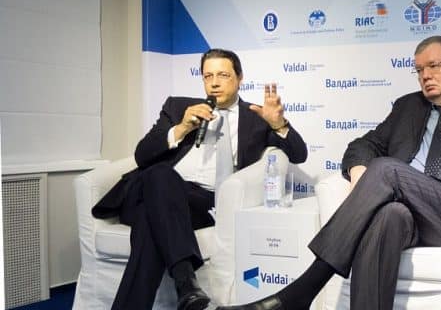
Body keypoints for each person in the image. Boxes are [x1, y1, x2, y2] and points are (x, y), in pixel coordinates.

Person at [221, 35, 441, 310]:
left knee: (386, 171)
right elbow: (361, 145)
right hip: (409, 213)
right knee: (387, 215)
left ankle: (303, 290)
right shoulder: (408, 107)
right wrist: (360, 175)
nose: (425, 75)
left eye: (434, 66)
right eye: (419, 70)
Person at [92, 49, 308, 310]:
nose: (214, 83)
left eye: (223, 75)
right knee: (159, 175)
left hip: (203, 203)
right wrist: (183, 127)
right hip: (155, 188)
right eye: (208, 76)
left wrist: (279, 124)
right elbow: (142, 155)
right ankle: (186, 284)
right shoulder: (178, 107)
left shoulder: (256, 116)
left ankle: (185, 285)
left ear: (240, 78)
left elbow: (299, 154)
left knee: (150, 221)